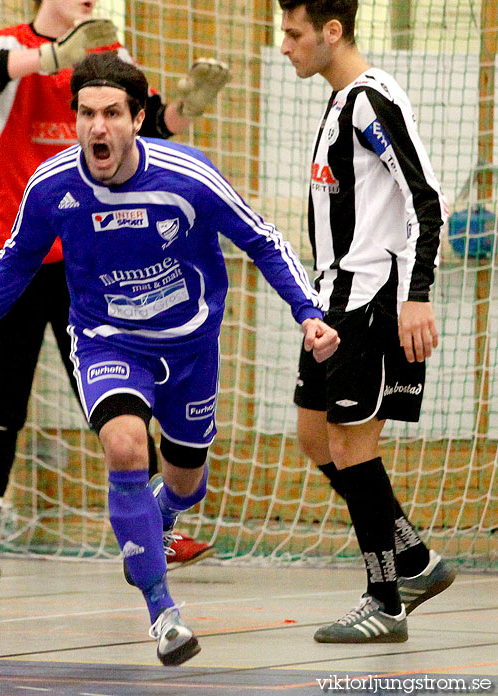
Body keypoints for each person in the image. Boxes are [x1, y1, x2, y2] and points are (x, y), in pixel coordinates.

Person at [0, 52, 339, 665]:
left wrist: (308, 312)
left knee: (186, 483)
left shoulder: (188, 176)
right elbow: (14, 262)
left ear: (137, 118)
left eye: (112, 113)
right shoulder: (52, 187)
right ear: (76, 122)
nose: (98, 127)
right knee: (123, 446)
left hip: (190, 345)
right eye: (87, 114)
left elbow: (262, 239)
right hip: (107, 341)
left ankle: (156, 518)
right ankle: (161, 611)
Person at [0, 0, 230, 577]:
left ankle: (162, 527)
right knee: (1, 394)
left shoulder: (111, 50)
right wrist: (54, 57)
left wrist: (184, 108)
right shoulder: (7, 43)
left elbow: (148, 129)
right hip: (19, 247)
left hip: (92, 255)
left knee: (122, 409)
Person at [278, 0, 455, 643]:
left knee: (354, 446)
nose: (284, 45)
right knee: (314, 437)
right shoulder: (337, 101)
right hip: (329, 301)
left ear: (332, 31)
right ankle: (413, 558)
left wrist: (418, 295)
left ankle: (386, 600)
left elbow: (424, 198)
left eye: (294, 33)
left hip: (372, 303)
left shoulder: (372, 101)